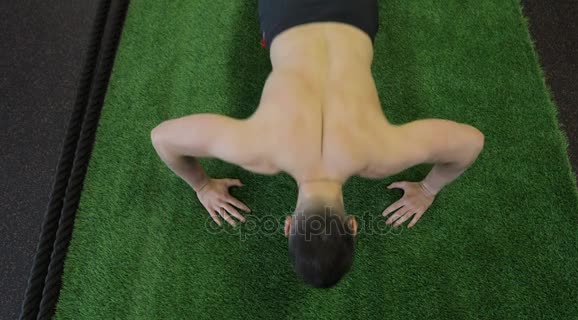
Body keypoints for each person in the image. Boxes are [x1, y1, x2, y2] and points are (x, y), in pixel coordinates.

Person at [150, 0, 485, 288]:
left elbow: (471, 142)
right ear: (288, 226)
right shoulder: (256, 149)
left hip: (353, 15)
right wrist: (203, 185)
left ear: (352, 225)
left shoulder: (384, 153)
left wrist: (428, 189)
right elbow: (163, 137)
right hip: (287, 15)